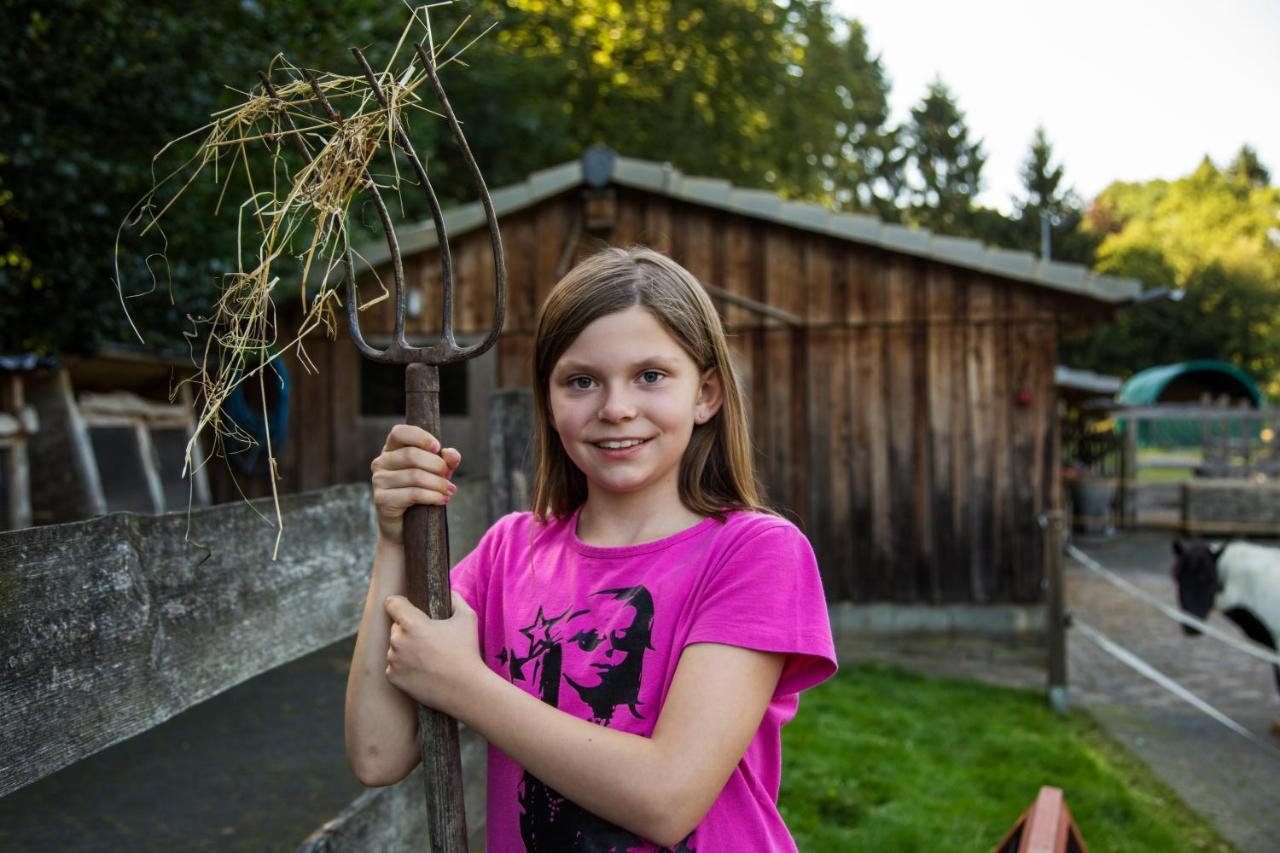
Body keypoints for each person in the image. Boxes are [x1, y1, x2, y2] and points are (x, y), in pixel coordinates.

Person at [345, 245, 837, 851]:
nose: (616, 408)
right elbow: (377, 752)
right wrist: (394, 540)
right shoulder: (508, 554)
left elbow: (667, 800)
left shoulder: (755, 553)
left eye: (651, 376)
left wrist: (461, 684)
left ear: (705, 394)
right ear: (550, 403)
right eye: (582, 381)